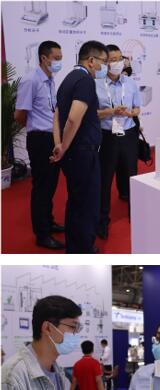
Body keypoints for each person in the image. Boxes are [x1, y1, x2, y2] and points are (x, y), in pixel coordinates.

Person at [51, 40, 108, 254]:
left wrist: (59, 144)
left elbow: (57, 116)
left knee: (76, 202)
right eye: (104, 62)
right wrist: (64, 146)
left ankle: (75, 247)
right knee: (87, 204)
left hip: (74, 154)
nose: (105, 67)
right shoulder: (85, 81)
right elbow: (73, 119)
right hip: (83, 153)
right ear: (91, 60)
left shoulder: (67, 79)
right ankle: (83, 248)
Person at [14, 40, 65, 250]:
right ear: (44, 58)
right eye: (56, 58)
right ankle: (42, 234)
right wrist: (35, 128)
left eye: (60, 58)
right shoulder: (31, 80)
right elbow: (19, 114)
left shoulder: (50, 79)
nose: (59, 62)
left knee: (51, 184)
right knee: (42, 187)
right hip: (39, 140)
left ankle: (49, 221)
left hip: (52, 138)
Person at [95, 44, 141, 239]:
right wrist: (111, 111)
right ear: (105, 62)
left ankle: (135, 214)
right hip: (107, 136)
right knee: (104, 180)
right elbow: (92, 113)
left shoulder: (130, 83)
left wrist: (131, 113)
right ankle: (102, 221)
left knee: (132, 176)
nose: (117, 63)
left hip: (128, 134)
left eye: (119, 58)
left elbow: (137, 108)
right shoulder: (96, 84)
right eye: (112, 60)